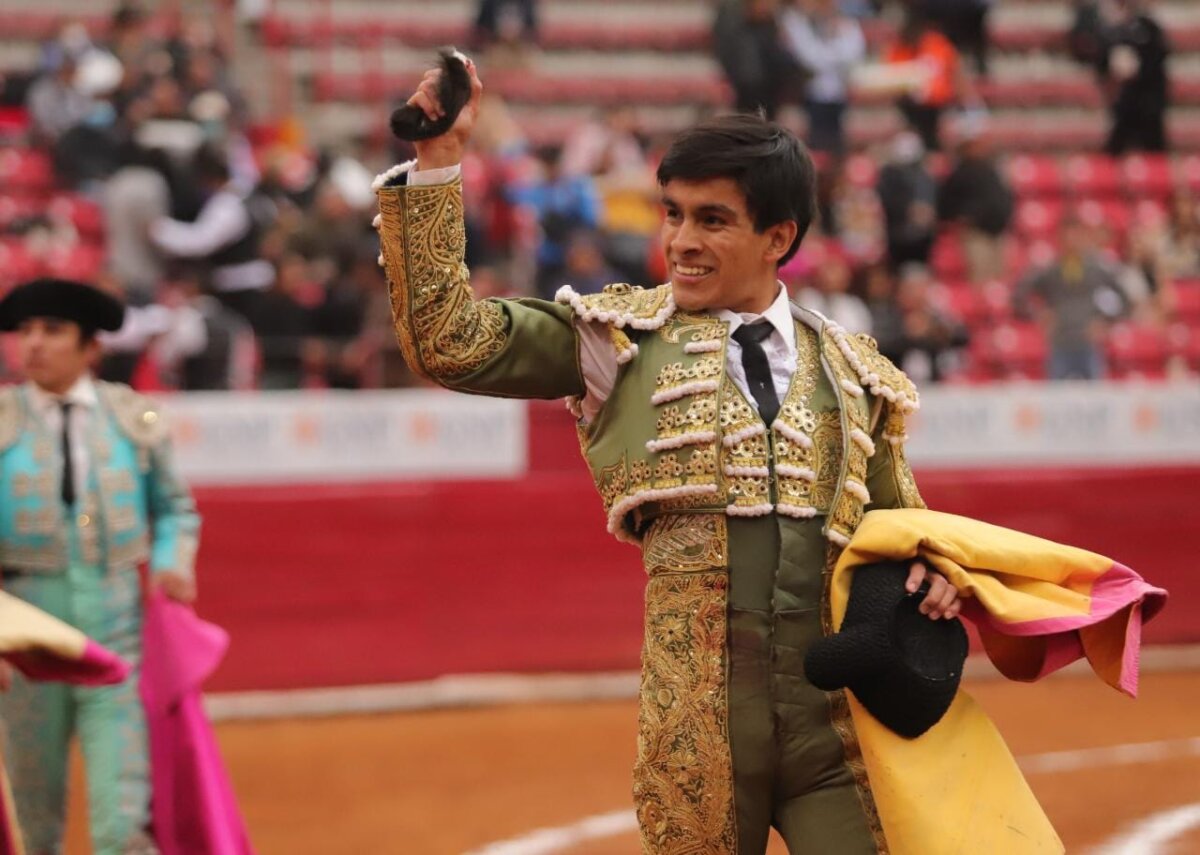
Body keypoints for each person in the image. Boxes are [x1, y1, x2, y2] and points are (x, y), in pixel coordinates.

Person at [379, 59, 967, 853]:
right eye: (673, 214)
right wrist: (440, 163)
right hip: (695, 737)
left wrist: (932, 569)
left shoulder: (854, 372)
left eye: (712, 220)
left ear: (778, 237)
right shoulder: (614, 339)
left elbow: (902, 524)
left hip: (833, 732)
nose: (681, 243)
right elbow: (448, 343)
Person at [0, 278, 201, 855]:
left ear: (91, 348)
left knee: (120, 825)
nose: (33, 344)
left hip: (117, 638)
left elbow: (175, 510)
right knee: (35, 825)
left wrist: (170, 562)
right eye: (26, 331)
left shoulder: (131, 418)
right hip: (25, 644)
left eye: (52, 331)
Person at [1014, 217, 1130, 380]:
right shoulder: (1050, 269)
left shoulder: (1096, 267)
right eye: (1066, 236)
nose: (1071, 241)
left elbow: (1124, 297)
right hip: (1059, 342)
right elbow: (1020, 294)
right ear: (1059, 238)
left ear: (1082, 237)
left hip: (1088, 343)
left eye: (1075, 235)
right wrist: (1038, 315)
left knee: (1096, 399)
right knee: (1056, 400)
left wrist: (1107, 322)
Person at [780, 0, 866, 155]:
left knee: (837, 144)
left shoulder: (845, 23)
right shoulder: (801, 22)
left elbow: (854, 52)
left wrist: (834, 43)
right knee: (817, 144)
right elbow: (810, 57)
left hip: (839, 93)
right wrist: (833, 56)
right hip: (812, 94)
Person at [1102, 0, 1170, 156]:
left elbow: (1159, 57)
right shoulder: (1115, 31)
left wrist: (1138, 66)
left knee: (1154, 151)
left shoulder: (1149, 29)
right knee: (1115, 150)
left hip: (1148, 102)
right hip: (1128, 102)